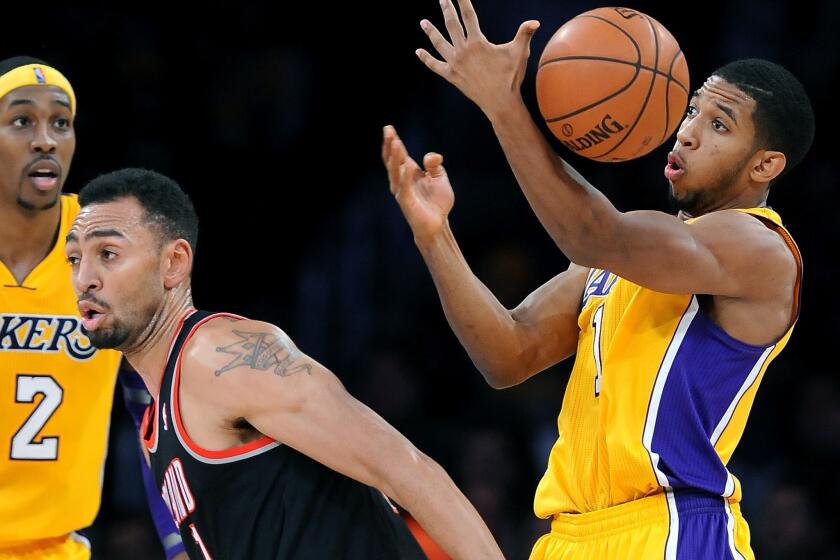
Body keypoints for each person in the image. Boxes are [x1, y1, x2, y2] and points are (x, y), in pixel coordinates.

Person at [382, 1, 814, 558]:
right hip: (569, 537)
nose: (687, 134)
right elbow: (507, 354)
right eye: (692, 113)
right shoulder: (631, 255)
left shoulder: (761, 249)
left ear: (764, 166)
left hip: (673, 530)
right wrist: (434, 236)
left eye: (719, 124)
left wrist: (503, 105)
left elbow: (594, 234)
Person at [64, 167, 504, 560]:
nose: (85, 278)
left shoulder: (222, 357)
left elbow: (408, 469)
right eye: (74, 259)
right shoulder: (157, 418)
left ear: (174, 263)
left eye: (108, 254)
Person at [0, 56, 186, 559]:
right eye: (22, 121)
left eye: (61, 122)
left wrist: (178, 541)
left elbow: (157, 409)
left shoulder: (109, 245)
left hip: (55, 549)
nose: (45, 140)